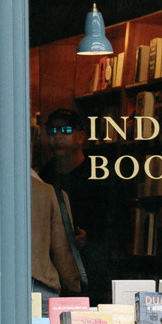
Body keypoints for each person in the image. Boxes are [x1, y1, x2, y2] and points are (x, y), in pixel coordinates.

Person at [42, 108, 113, 303]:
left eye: (65, 131)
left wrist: (90, 241)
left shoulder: (100, 174)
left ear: (81, 136)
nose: (57, 137)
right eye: (52, 132)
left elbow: (119, 226)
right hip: (55, 273)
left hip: (92, 273)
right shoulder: (45, 175)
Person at [31, 125, 83, 299]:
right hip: (38, 286)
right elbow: (63, 252)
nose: (59, 136)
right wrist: (76, 287)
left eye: (67, 130)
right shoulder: (50, 193)